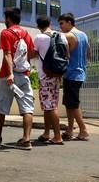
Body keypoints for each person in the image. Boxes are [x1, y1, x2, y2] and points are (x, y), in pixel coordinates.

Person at [0, 7, 35, 150]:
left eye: (5, 18)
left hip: (7, 76)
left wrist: (10, 73)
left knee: (1, 107)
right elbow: (31, 53)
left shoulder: (6, 33)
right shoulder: (26, 34)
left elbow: (7, 54)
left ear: (8, 18)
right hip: (24, 75)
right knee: (27, 108)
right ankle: (26, 139)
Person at [34, 16, 68, 144]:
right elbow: (67, 55)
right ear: (50, 23)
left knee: (51, 107)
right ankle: (46, 133)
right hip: (57, 75)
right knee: (48, 106)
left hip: (45, 76)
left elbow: (32, 54)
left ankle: (57, 136)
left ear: (38, 26)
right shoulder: (61, 36)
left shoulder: (39, 38)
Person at [58, 13, 90, 141]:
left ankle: (83, 130)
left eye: (62, 23)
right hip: (80, 72)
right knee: (69, 103)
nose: (60, 26)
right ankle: (69, 130)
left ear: (69, 22)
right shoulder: (84, 35)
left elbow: (63, 51)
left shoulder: (69, 36)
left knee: (73, 104)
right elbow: (89, 52)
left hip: (72, 73)